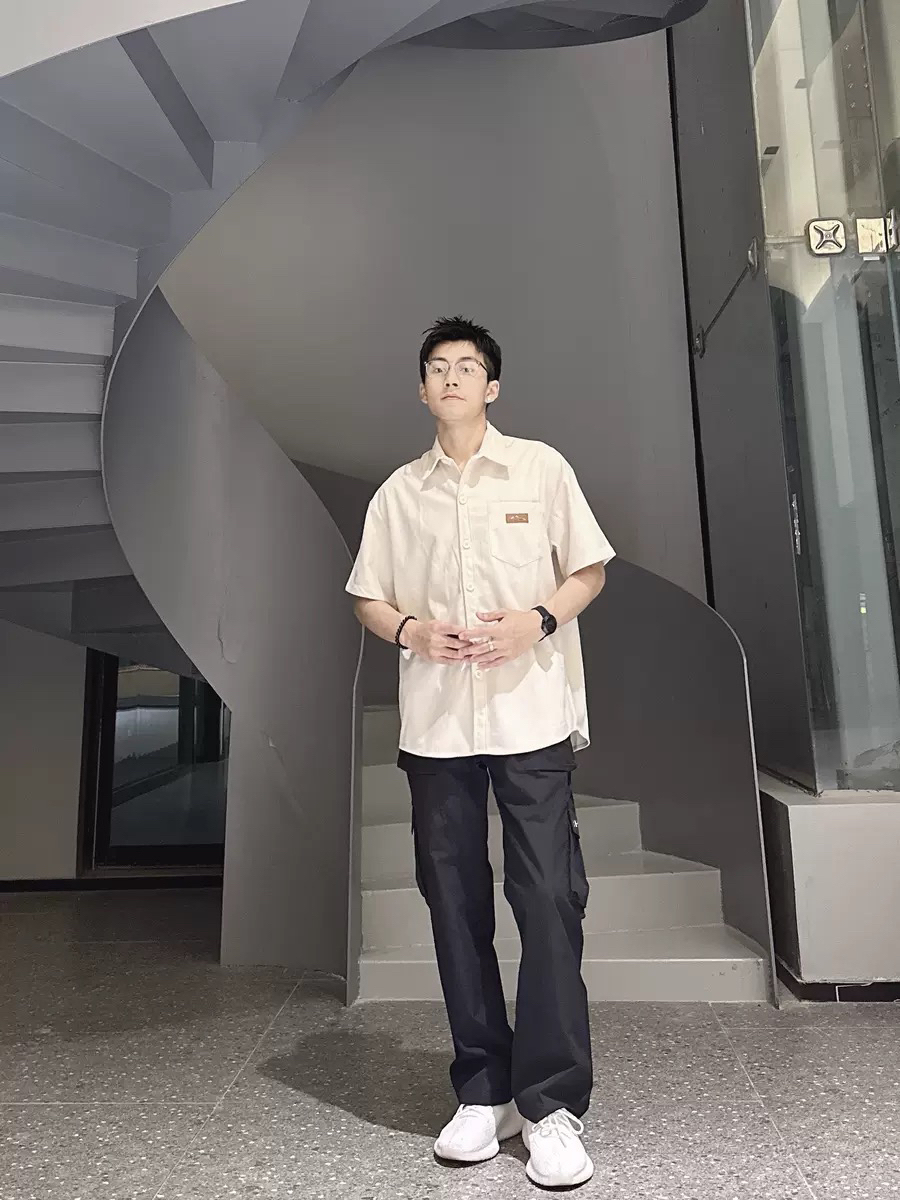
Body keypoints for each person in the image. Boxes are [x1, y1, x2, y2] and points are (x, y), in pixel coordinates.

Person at [345, 316, 615, 1190]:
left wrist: (536, 620)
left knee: (549, 899)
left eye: (468, 367)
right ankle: (483, 1090)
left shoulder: (541, 468)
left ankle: (553, 1106)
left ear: (491, 387)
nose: (453, 377)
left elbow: (588, 570)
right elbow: (368, 597)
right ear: (423, 389)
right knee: (453, 903)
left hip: (531, 716)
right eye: (438, 367)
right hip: (437, 728)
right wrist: (412, 631)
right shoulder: (398, 494)